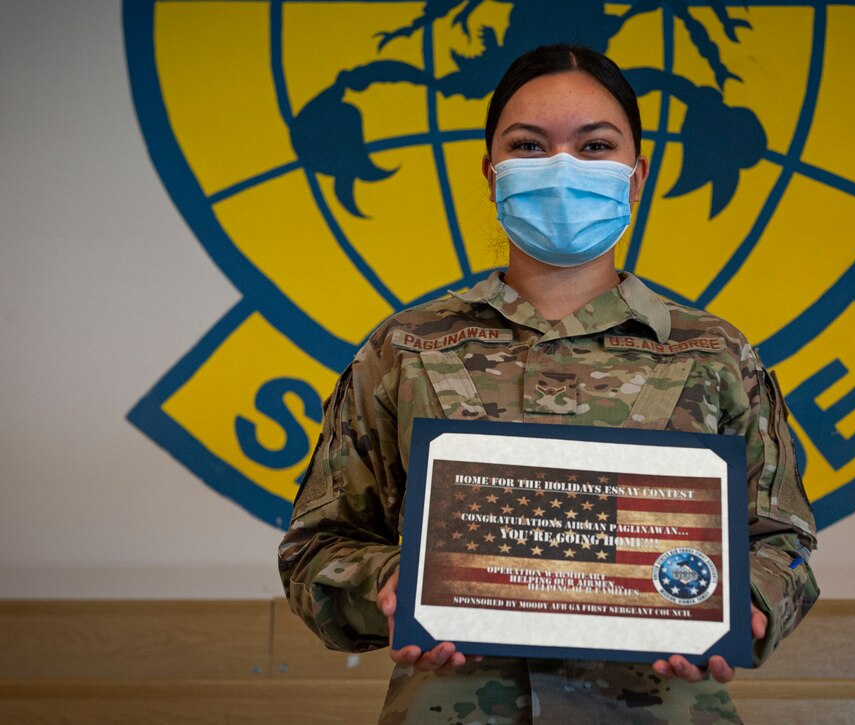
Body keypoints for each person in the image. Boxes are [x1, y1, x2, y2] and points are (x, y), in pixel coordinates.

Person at [279, 44, 818, 724]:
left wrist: (747, 606)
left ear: (636, 174)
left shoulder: (714, 354)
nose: (562, 167)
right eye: (529, 146)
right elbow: (314, 550)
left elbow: (783, 543)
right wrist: (388, 586)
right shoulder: (403, 350)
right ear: (492, 171)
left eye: (595, 146)